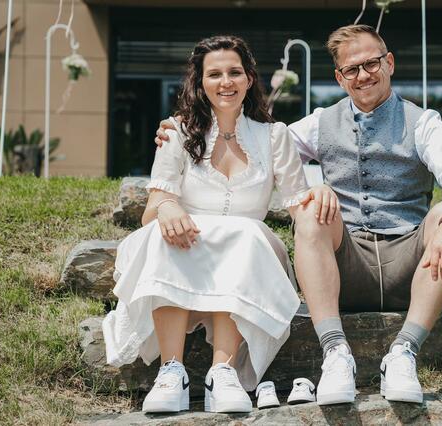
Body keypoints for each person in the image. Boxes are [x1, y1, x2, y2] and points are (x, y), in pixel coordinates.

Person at [156, 25, 442, 406]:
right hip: (346, 266)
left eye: (372, 63)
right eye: (352, 69)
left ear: (389, 63)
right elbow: (262, 148)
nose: (363, 75)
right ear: (339, 78)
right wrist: (184, 131)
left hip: (408, 261)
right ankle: (335, 354)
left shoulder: (424, 122)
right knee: (312, 211)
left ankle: (403, 353)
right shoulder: (320, 122)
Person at [103, 35, 338, 414]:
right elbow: (153, 207)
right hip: (186, 245)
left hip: (246, 253)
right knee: (168, 235)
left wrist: (321, 191)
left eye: (234, 72)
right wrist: (166, 208)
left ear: (249, 79)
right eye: (214, 74)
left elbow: (299, 204)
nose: (225, 82)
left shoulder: (274, 136)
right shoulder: (176, 132)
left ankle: (222, 373)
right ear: (200, 83)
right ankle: (172, 372)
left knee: (244, 234)